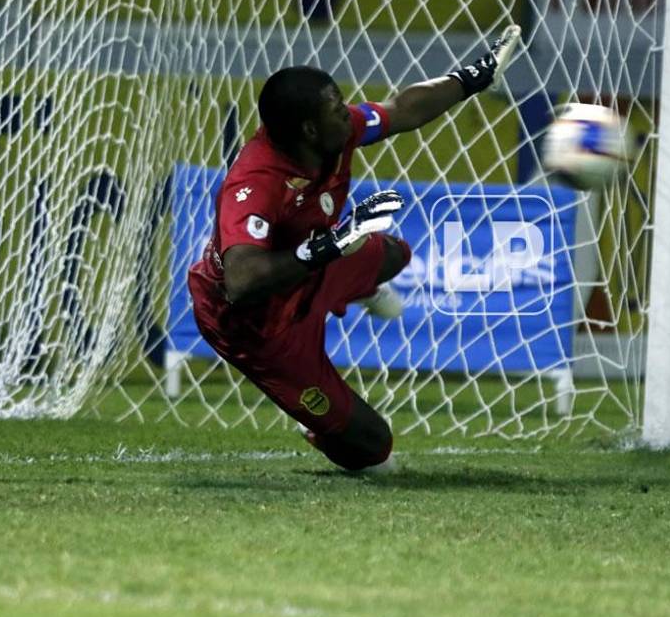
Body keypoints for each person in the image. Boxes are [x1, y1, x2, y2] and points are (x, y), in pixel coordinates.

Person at [187, 28, 517, 473]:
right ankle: (320, 428)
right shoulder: (256, 183)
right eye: (338, 109)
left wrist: (472, 79)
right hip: (258, 326)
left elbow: (402, 110)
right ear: (308, 129)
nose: (350, 113)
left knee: (395, 253)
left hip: (313, 268)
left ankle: (351, 290)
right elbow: (241, 281)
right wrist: (320, 251)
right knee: (375, 451)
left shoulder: (335, 135)